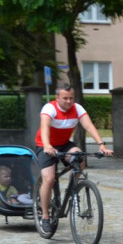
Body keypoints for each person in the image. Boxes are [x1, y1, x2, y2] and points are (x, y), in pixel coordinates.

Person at [35, 83, 112, 227]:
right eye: (65, 98)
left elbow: (89, 126)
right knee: (49, 179)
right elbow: (45, 128)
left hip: (64, 144)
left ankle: (73, 187)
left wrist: (101, 144)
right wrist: (47, 145)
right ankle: (45, 216)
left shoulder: (77, 109)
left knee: (79, 158)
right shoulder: (49, 108)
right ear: (57, 98)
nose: (69, 101)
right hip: (45, 145)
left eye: (71, 98)